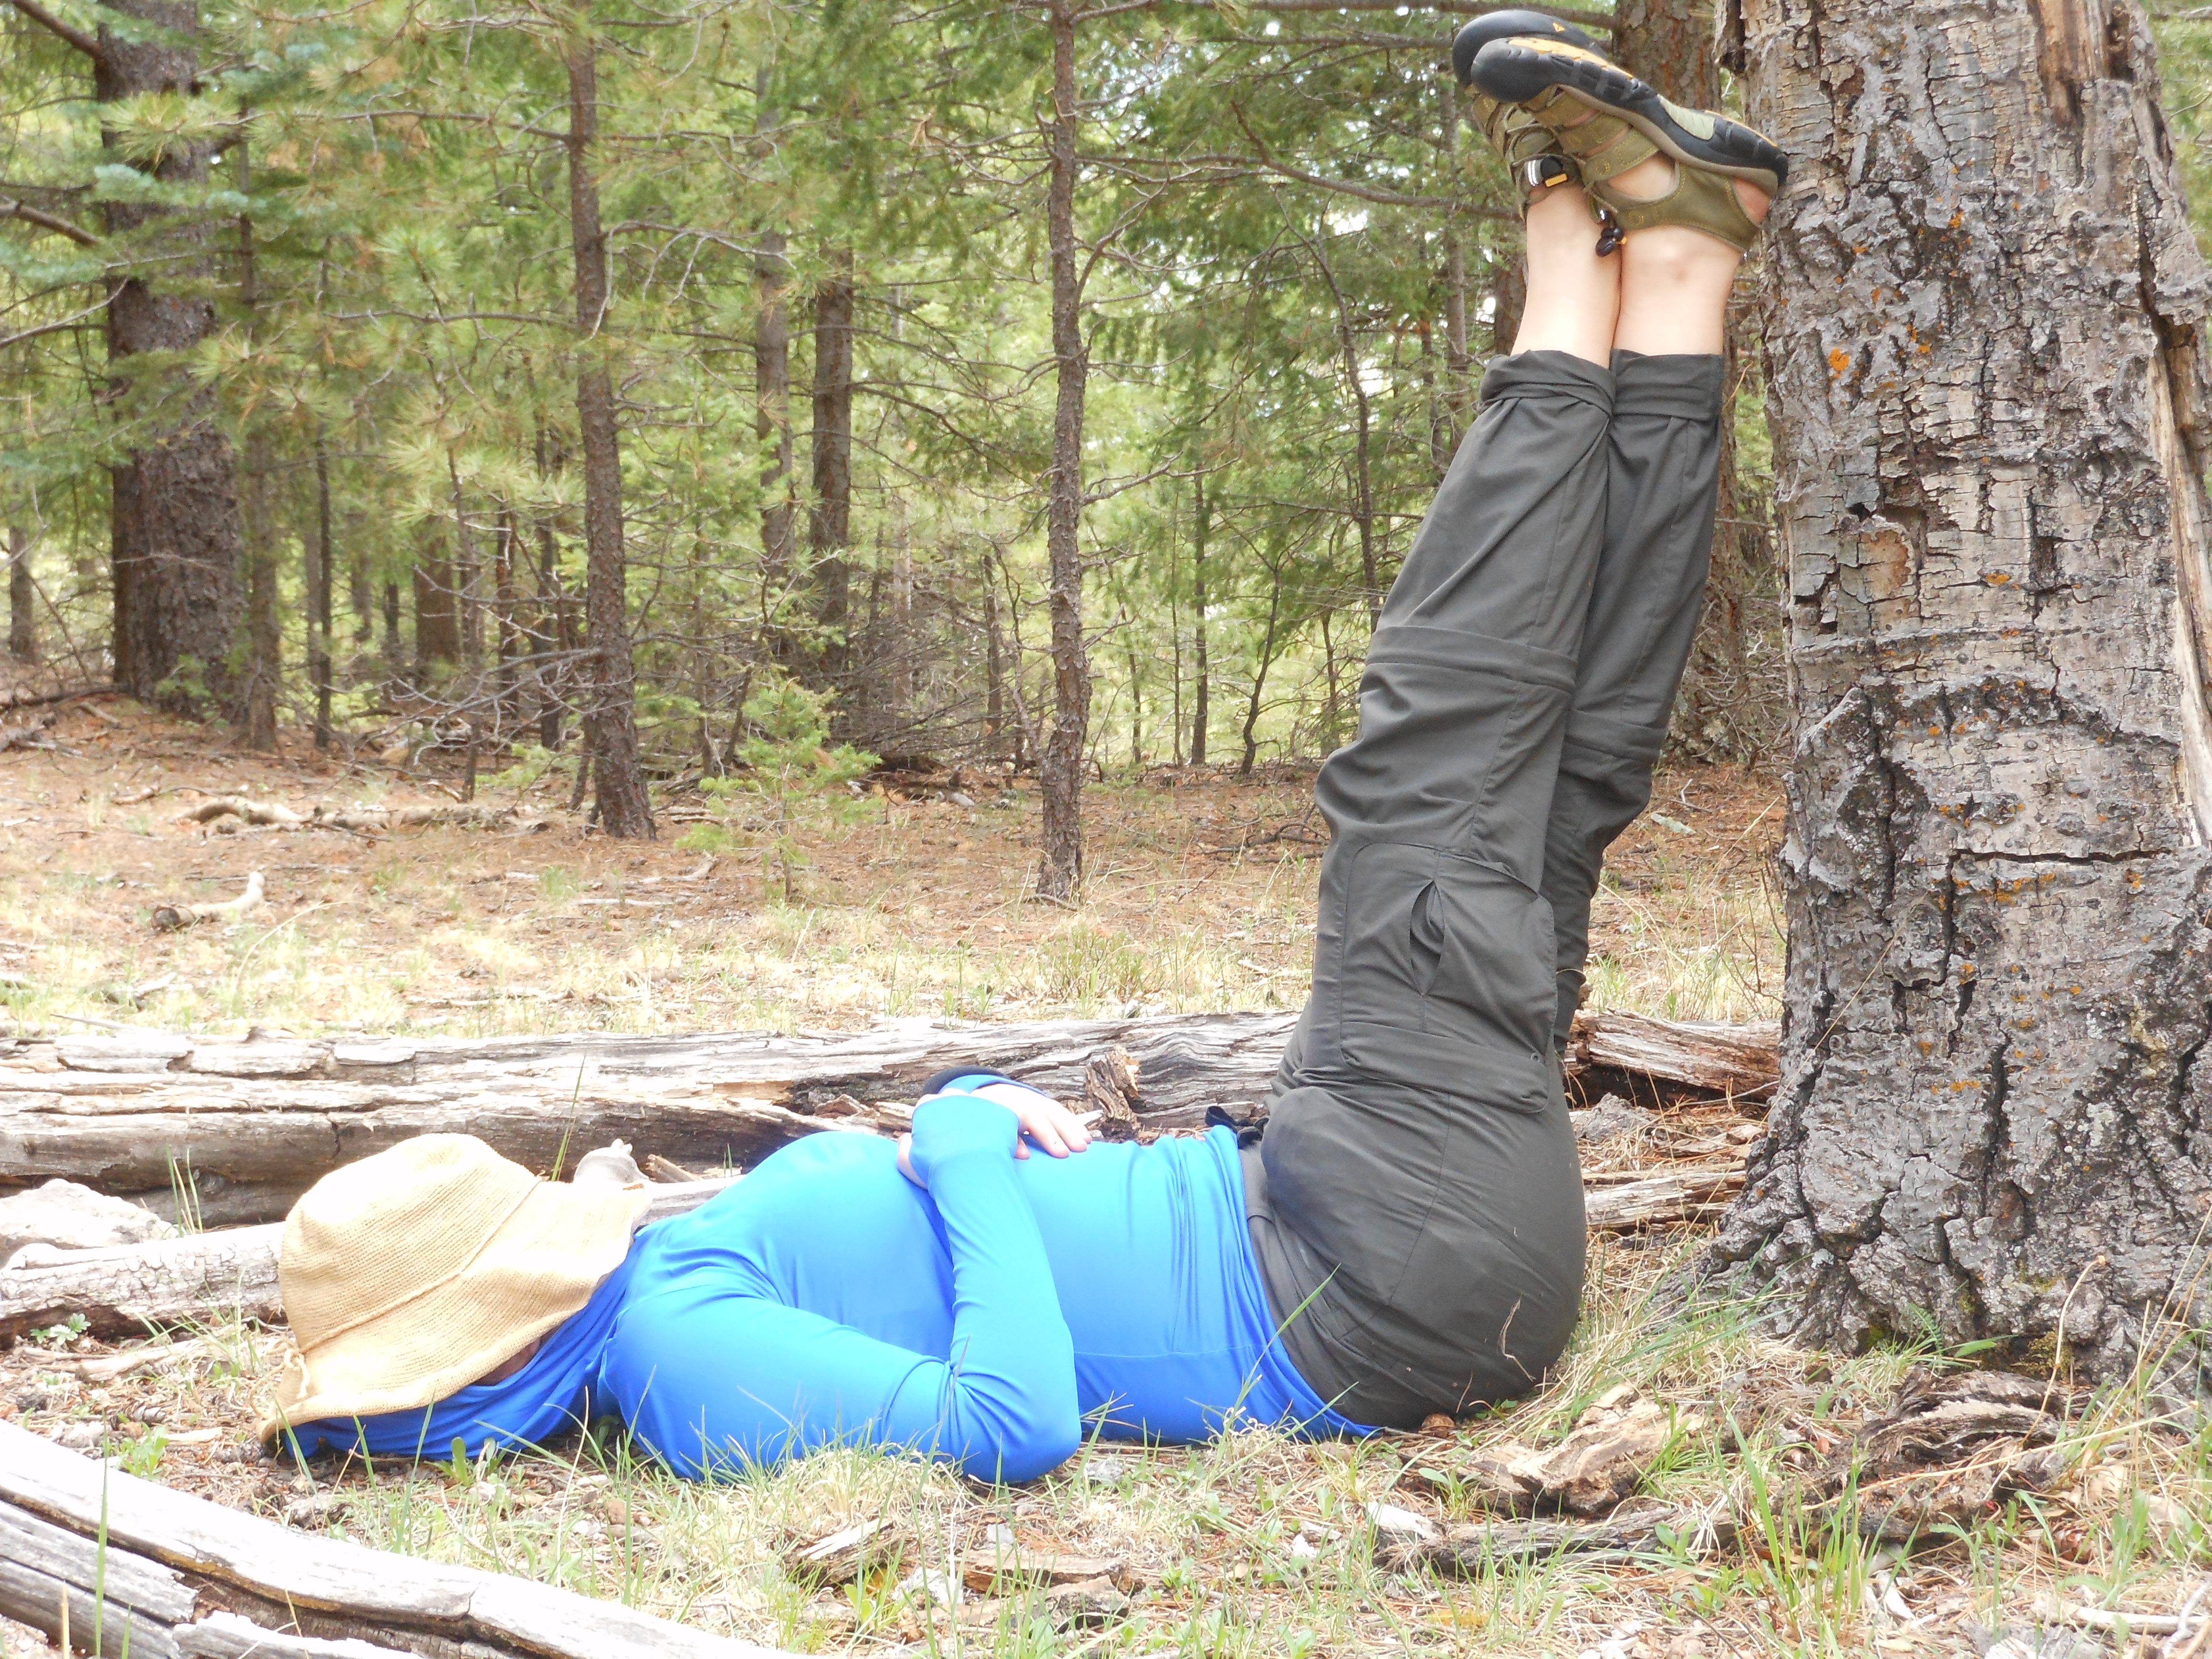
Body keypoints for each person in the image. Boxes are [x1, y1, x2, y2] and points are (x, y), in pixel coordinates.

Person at [260, 16, 1786, 1481]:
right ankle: (1567, 250)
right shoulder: (667, 1363)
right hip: (1369, 1268)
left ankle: (1679, 264)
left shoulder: (660, 1303)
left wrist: (971, 1107)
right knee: (1425, 767)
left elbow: (917, 1262)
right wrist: (956, 1144)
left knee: (1556, 792)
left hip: (1376, 1216)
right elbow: (1013, 1422)